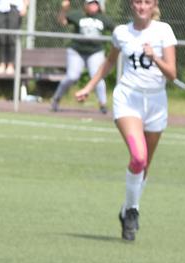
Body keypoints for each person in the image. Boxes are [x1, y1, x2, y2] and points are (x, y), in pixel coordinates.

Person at [75, 0, 176, 241]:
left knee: (145, 166)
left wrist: (156, 57)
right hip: (128, 100)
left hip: (155, 103)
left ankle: (127, 208)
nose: (142, 6)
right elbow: (110, 61)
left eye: (147, 2)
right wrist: (89, 86)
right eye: (138, 2)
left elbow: (172, 74)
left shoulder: (164, 31)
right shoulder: (122, 32)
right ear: (132, 5)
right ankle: (132, 211)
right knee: (138, 157)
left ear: (154, 5)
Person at [50, 0, 113, 114]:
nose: (93, 6)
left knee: (97, 76)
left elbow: (115, 29)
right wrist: (64, 9)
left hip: (95, 52)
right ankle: (56, 99)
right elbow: (62, 21)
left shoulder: (103, 18)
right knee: (72, 76)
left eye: (95, 3)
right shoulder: (79, 15)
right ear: (86, 5)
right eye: (90, 3)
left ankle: (103, 104)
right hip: (77, 51)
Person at [0, 0, 29, 75]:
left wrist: (25, 6)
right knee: (1, 38)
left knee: (12, 38)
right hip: (0, 9)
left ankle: (11, 65)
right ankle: (2, 64)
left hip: (14, 9)